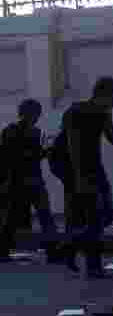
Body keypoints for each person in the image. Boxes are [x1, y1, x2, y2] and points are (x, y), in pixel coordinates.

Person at [59, 76, 113, 278]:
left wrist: (107, 116)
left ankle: (70, 244)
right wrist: (79, 178)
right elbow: (73, 146)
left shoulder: (102, 113)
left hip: (95, 167)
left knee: (107, 214)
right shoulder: (76, 111)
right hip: (75, 168)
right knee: (93, 217)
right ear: (104, 93)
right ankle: (92, 266)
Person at [0, 99, 61, 262]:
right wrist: (44, 153)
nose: (37, 117)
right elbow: (18, 156)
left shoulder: (10, 131)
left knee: (10, 218)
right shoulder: (33, 132)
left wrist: (41, 153)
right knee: (44, 217)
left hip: (17, 180)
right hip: (28, 180)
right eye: (36, 114)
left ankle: (3, 251)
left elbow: (9, 157)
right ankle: (53, 252)